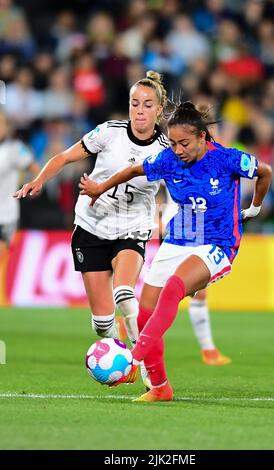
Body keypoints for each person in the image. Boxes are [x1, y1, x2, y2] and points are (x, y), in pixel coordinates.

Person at [78, 101, 272, 402]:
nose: (178, 149)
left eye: (184, 143)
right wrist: (99, 188)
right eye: (172, 142)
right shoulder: (168, 160)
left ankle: (134, 359)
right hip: (182, 236)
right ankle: (160, 387)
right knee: (144, 314)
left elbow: (266, 171)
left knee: (173, 289)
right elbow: (131, 169)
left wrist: (254, 208)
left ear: (202, 138)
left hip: (218, 242)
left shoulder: (226, 159)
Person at [14, 70, 169, 389]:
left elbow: (180, 193)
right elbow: (65, 156)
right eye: (134, 103)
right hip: (91, 226)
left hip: (132, 228)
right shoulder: (108, 133)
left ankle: (144, 368)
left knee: (125, 294)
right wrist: (39, 180)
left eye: (147, 105)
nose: (139, 110)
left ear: (159, 111)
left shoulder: (167, 151)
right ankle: (117, 352)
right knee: (102, 324)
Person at [160, 183, 231, 366]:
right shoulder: (173, 159)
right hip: (181, 228)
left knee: (188, 290)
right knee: (186, 290)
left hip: (195, 227)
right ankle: (208, 350)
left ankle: (208, 350)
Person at [0, 111, 40, 261]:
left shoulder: (15, 149)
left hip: (5, 216)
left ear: (8, 128)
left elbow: (35, 169)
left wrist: (33, 187)